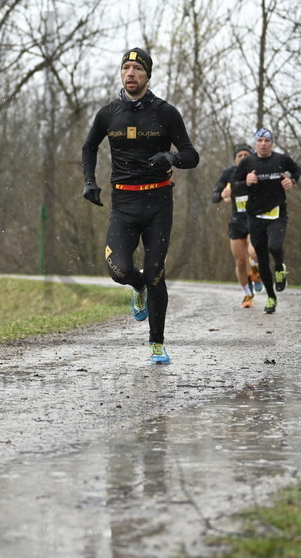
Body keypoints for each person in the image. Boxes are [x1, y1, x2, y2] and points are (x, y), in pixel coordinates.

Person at [82, 47, 199, 365]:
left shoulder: (165, 113)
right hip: (123, 202)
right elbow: (89, 146)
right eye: (126, 68)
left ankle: (157, 344)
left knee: (156, 272)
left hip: (158, 202)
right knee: (119, 270)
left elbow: (192, 155)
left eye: (137, 68)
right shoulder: (108, 113)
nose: (130, 73)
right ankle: (137, 287)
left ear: (147, 75)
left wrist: (172, 157)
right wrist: (89, 181)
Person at [231, 128, 301, 314]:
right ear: (255, 143)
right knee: (261, 260)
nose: (263, 144)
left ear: (272, 143)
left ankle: (279, 267)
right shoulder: (247, 162)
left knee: (275, 247)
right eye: (260, 140)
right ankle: (271, 297)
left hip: (277, 214)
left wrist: (291, 180)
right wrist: (246, 181)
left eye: (267, 140)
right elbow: (235, 185)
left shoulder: (281, 159)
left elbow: (296, 170)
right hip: (255, 217)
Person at [211, 143, 263, 308]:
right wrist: (221, 194)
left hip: (255, 219)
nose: (242, 158)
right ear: (235, 159)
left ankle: (256, 272)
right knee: (240, 261)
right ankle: (247, 295)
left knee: (254, 252)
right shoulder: (228, 173)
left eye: (246, 155)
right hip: (236, 222)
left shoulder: (258, 171)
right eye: (239, 156)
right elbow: (214, 196)